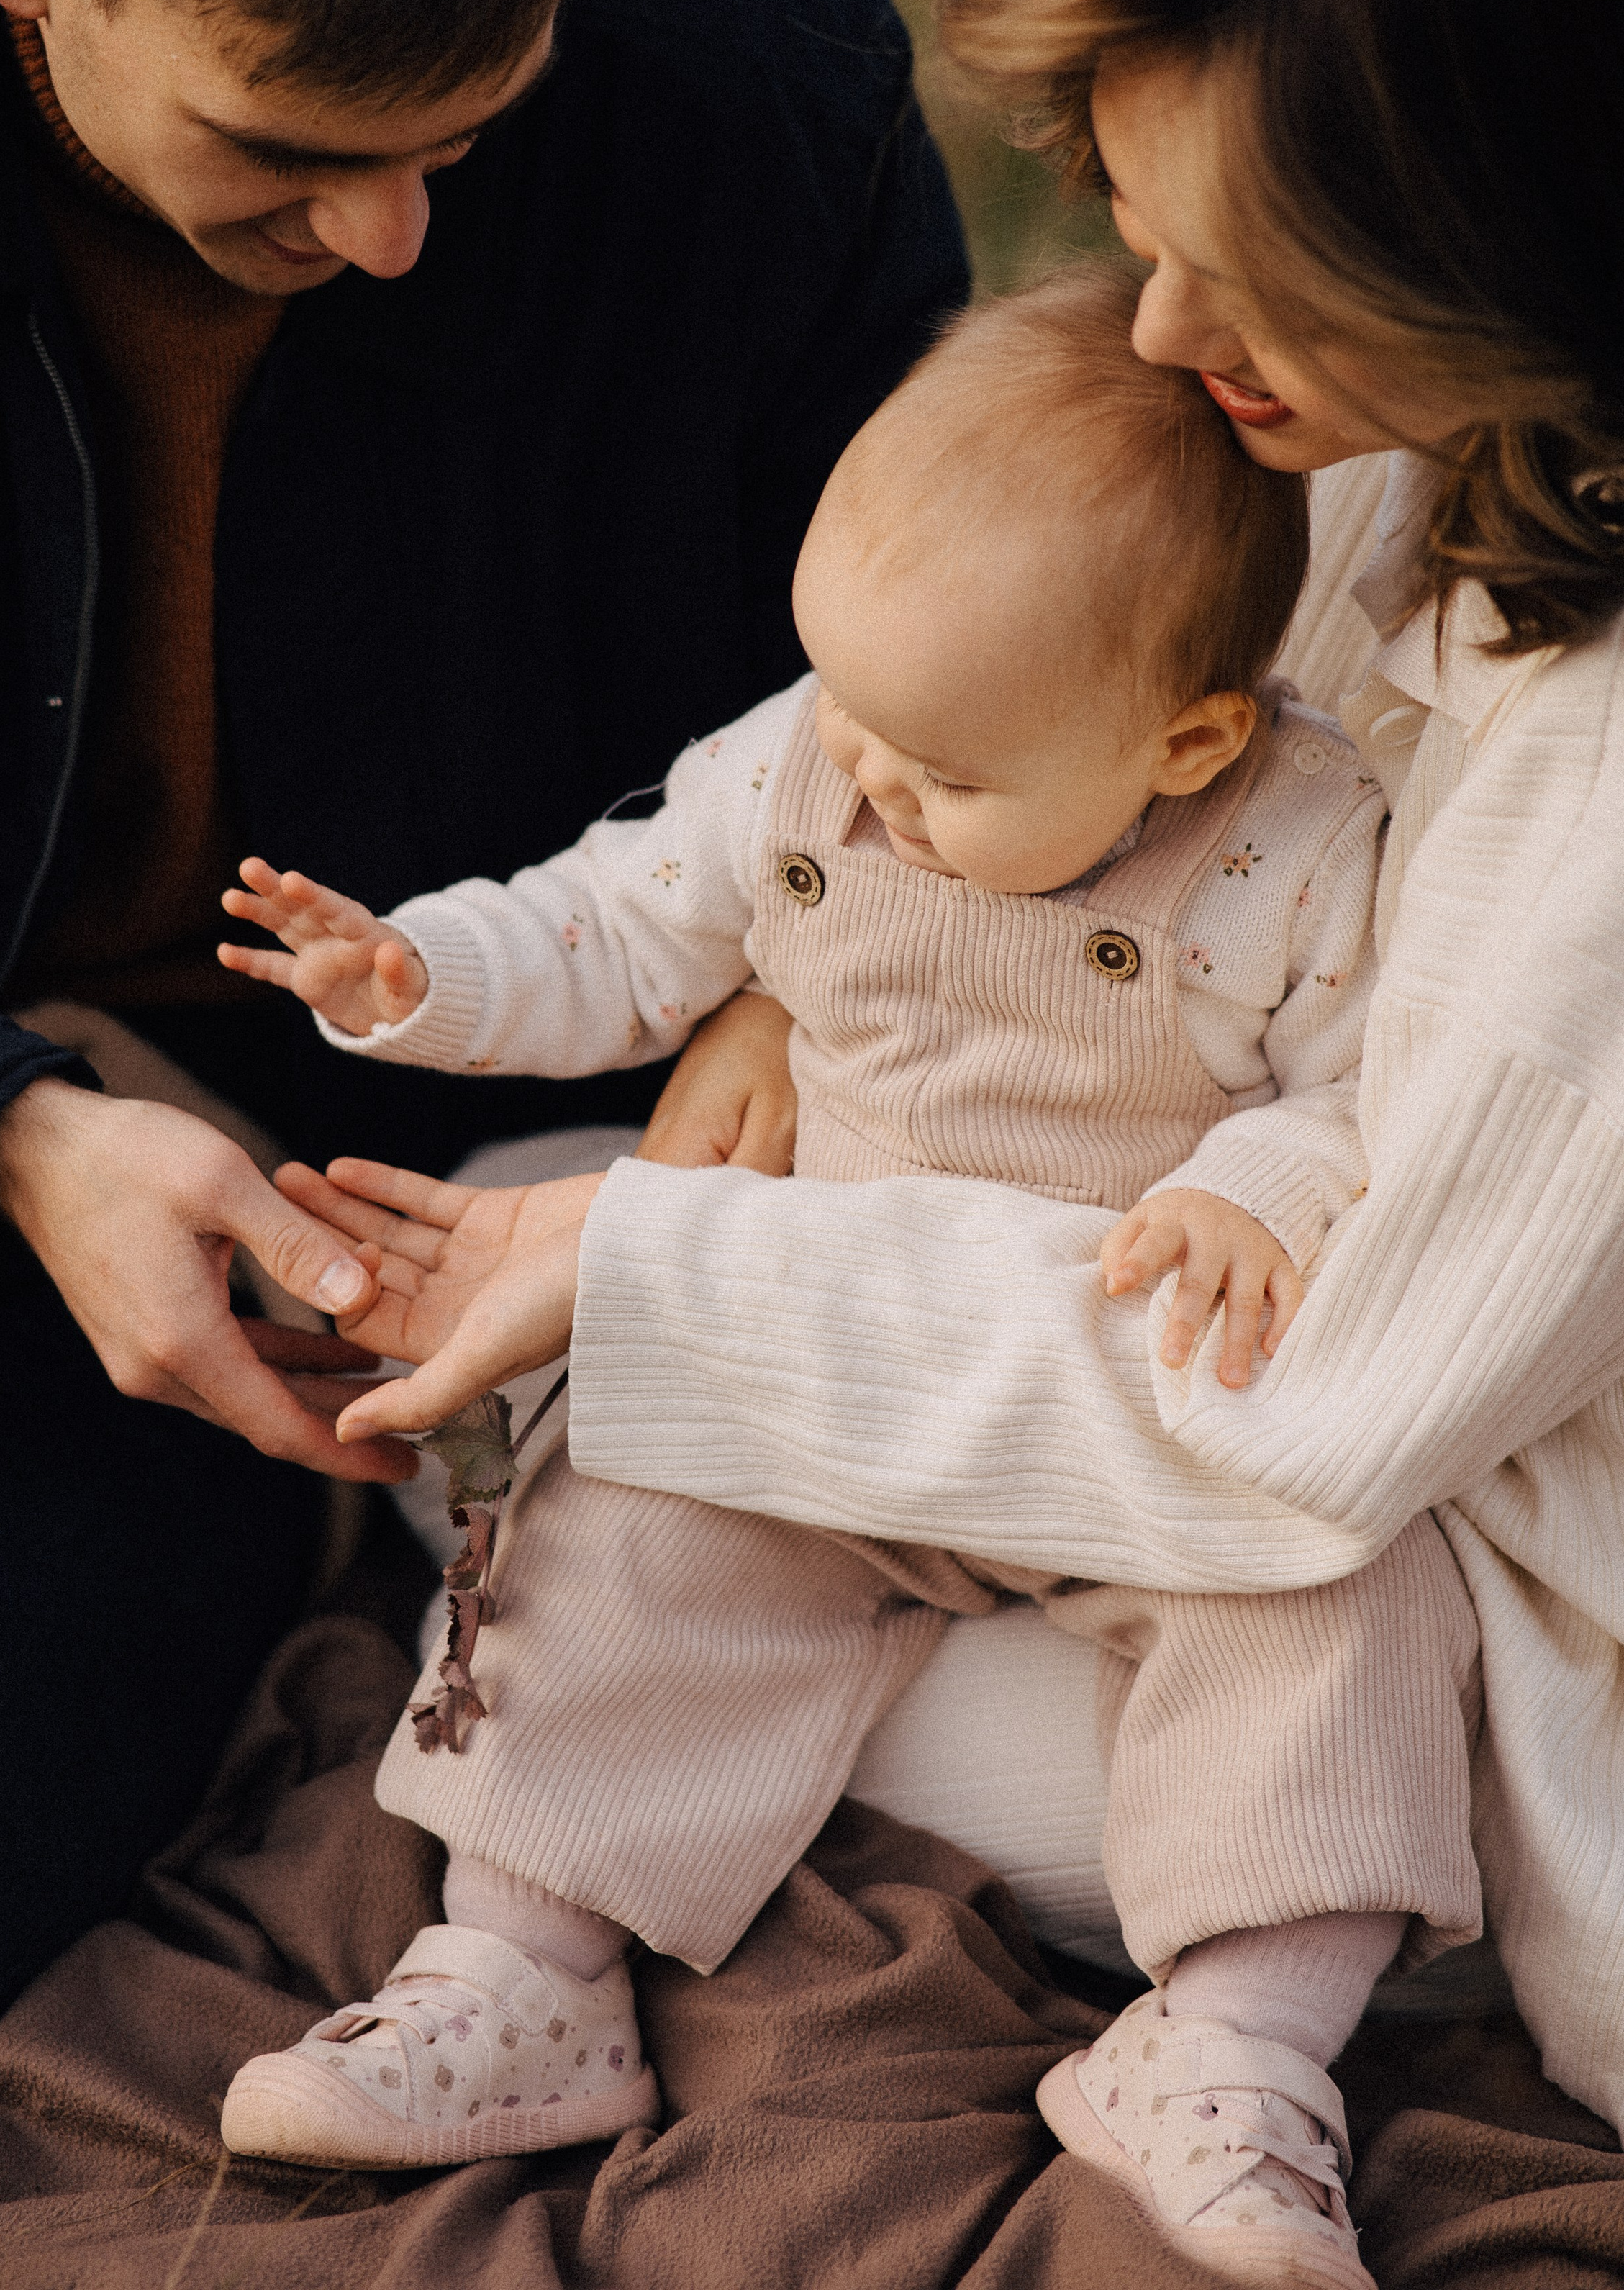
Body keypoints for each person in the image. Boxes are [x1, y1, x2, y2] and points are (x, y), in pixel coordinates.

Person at [273, 0, 1624, 2241]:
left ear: (1516, 254)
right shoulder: (1420, 443)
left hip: (1454, 1608)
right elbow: (1024, 771)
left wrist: (657, 1279)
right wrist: (806, 975)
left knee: (594, 1455)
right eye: (1142, 233)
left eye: (1259, 280)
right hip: (1191, 1379)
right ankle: (534, 1931)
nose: (1161, 341)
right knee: (552, 1297)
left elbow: (1321, 1405)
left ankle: (1232, 2040)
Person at [0, 0, 967, 2054]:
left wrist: (798, 970)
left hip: (334, 1196)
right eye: (289, 147)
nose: (397, 233)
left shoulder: (765, 101)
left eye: (471, 128)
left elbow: (930, 718)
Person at [212, 266, 1476, 2284]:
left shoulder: (1300, 848)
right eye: (847, 714)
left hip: (1113, 1418)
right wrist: (420, 971)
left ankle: (1235, 2049)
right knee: (613, 1514)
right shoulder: (820, 751)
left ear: (1190, 741)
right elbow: (617, 923)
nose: (871, 780)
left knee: (1355, 1605)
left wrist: (1262, 1181)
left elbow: (1375, 1090)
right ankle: (523, 1971)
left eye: (944, 771)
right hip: (812, 1370)